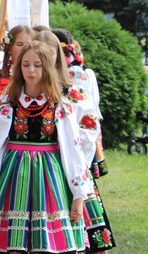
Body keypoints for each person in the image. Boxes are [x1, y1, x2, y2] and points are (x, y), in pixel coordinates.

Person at [0, 41, 93, 254]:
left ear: (47, 68)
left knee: (47, 243)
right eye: (25, 65)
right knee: (6, 243)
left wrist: (78, 197)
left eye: (37, 65)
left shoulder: (60, 105)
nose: (31, 70)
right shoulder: (8, 103)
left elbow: (73, 152)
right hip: (11, 177)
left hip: (50, 179)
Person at [36, 31, 115, 252]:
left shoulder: (72, 91)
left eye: (49, 53)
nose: (43, 59)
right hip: (38, 171)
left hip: (72, 166)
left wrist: (69, 146)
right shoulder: (27, 92)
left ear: (58, 56)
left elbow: (89, 128)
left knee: (77, 229)